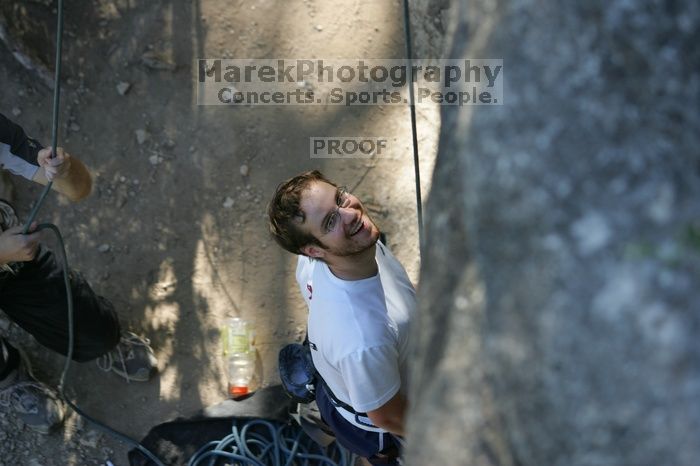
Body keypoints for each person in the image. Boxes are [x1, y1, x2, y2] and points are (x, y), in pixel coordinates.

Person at [0, 112, 158, 434]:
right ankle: (8, 375)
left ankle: (105, 343)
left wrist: (64, 172)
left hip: (10, 261)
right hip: (5, 251)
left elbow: (78, 189)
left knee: (91, 328)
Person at [268, 170, 416, 464]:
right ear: (314, 250)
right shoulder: (363, 340)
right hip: (380, 422)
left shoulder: (347, 249)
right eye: (330, 221)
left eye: (340, 198)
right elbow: (389, 416)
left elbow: (394, 298)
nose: (350, 214)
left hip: (355, 380)